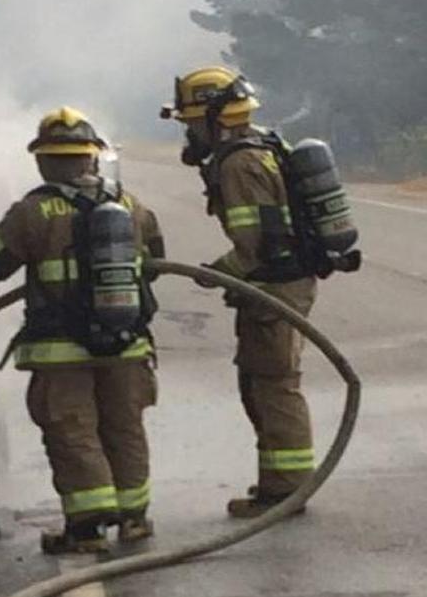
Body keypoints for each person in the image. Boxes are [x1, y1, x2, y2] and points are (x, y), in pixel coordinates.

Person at [0, 107, 164, 553]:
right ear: (92, 158)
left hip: (62, 351)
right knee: (124, 427)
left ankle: (87, 529)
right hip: (127, 344)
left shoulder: (32, 212)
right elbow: (155, 261)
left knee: (73, 431)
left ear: (43, 160)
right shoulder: (131, 205)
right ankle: (135, 520)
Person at [161, 66, 316, 518]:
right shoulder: (262, 146)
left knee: (273, 387)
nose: (190, 132)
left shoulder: (240, 163)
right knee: (259, 383)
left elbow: (255, 246)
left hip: (275, 289)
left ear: (216, 117)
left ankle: (286, 490)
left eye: (192, 122)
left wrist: (213, 273)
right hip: (276, 286)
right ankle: (279, 486)